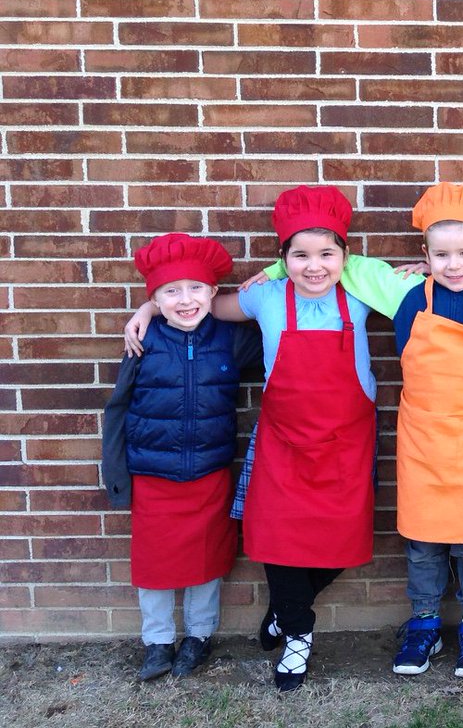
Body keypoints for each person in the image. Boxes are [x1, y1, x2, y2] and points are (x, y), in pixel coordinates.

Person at [126, 185, 380, 691]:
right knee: (277, 542)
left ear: (345, 257)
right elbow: (200, 302)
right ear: (282, 257)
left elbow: (439, 287)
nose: (314, 266)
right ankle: (298, 636)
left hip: (346, 443)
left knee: (341, 545)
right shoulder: (263, 296)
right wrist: (151, 309)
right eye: (300, 255)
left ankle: (286, 610)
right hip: (284, 442)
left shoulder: (364, 293)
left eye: (327, 254)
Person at [316, 183, 463, 680]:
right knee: (423, 540)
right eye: (441, 253)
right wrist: (278, 267)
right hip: (422, 438)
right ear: (423, 254)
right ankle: (424, 623)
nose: (454, 265)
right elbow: (334, 260)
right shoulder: (403, 290)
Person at [103, 233, 261, 681]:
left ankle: (198, 636)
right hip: (153, 473)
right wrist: (116, 473)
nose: (185, 300)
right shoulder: (143, 339)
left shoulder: (232, 340)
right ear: (154, 297)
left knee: (206, 562)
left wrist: (150, 305)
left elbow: (279, 319)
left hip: (210, 473)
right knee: (154, 565)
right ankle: (157, 642)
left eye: (196, 288)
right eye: (170, 292)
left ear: (214, 292)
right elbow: (118, 407)